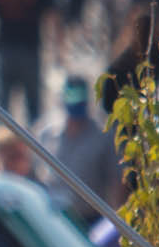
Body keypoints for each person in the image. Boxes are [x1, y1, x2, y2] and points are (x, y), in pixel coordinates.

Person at [39, 73, 123, 225]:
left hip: (89, 217)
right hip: (55, 218)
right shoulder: (48, 133)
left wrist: (115, 222)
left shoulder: (103, 136)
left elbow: (116, 181)